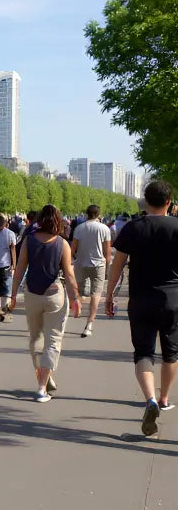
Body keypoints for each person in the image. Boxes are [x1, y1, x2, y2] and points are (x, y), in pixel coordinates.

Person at [105, 180, 178, 437]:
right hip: (173, 299)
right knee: (171, 352)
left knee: (143, 352)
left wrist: (110, 293)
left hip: (140, 299)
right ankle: (165, 397)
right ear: (169, 202)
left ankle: (150, 400)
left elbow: (117, 265)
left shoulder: (133, 228)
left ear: (146, 201)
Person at [8, 204, 81, 402]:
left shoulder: (29, 241)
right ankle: (42, 387)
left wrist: (12, 296)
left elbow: (20, 270)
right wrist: (75, 298)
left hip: (31, 293)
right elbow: (69, 274)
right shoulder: (62, 243)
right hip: (55, 294)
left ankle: (42, 372)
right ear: (58, 221)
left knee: (35, 338)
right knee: (53, 340)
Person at [70, 204, 112, 338]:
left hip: (81, 263)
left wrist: (70, 262)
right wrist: (108, 263)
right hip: (99, 264)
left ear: (86, 214)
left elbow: (73, 248)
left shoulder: (79, 228)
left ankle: (78, 305)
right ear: (99, 215)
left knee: (79, 291)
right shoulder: (104, 228)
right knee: (96, 293)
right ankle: (89, 324)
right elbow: (107, 251)